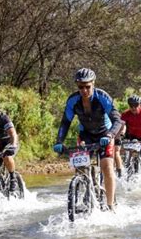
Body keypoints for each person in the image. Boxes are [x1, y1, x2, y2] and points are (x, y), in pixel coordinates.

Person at [53, 68, 123, 211]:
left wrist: (109, 135)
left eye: (87, 87)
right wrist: (59, 141)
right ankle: (82, 192)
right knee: (80, 168)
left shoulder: (102, 97)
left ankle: (110, 206)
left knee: (107, 166)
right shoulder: (73, 100)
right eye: (81, 87)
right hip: (86, 134)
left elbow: (118, 120)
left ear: (93, 84)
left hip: (105, 133)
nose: (84, 90)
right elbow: (65, 122)